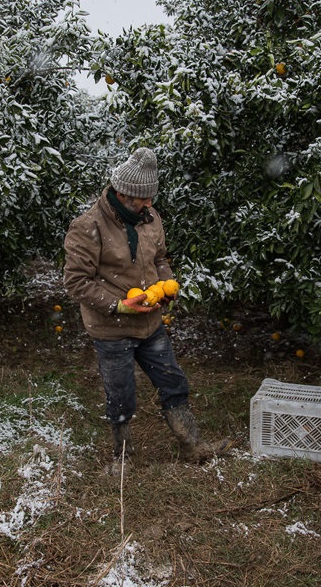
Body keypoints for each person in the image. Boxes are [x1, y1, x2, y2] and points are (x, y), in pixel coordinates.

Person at [63, 147, 232, 472]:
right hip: (111, 329)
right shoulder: (88, 227)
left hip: (150, 324)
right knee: (121, 395)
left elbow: (159, 259)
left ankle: (192, 447)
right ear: (123, 194)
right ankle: (122, 457)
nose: (149, 205)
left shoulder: (151, 219)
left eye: (151, 198)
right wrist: (119, 306)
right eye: (143, 199)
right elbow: (76, 283)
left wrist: (166, 285)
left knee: (173, 382)